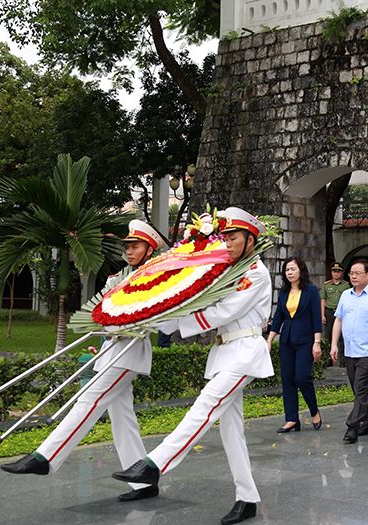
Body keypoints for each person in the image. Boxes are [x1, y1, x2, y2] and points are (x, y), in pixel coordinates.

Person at [111, 208, 274, 524]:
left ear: (250, 239)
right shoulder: (229, 268)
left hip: (244, 351)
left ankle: (155, 463)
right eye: (224, 237)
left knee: (205, 406)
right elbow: (204, 299)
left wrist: (173, 324)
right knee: (231, 430)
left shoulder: (255, 272)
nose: (227, 243)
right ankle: (248, 497)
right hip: (225, 351)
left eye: (234, 237)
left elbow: (222, 312)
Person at [0, 220, 166, 502]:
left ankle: (46, 457)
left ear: (149, 249)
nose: (130, 250)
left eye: (136, 246)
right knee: (122, 418)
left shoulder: (156, 279)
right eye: (127, 246)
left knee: (87, 401)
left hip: (129, 352)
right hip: (110, 349)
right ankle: (144, 483)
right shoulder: (118, 278)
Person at [329, 260, 368, 444]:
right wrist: (334, 344)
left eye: (357, 273)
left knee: (362, 388)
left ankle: (352, 427)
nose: (353, 276)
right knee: (359, 391)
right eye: (351, 273)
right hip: (350, 351)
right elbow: (338, 320)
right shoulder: (345, 295)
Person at [268, 256, 324, 432]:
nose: (289, 272)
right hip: (287, 341)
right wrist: (269, 340)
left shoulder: (311, 291)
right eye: (287, 270)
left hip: (306, 341)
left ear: (301, 270)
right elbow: (278, 318)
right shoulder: (283, 292)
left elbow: (317, 318)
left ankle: (314, 411)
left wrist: (317, 343)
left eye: (292, 269)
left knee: (301, 377)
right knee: (287, 379)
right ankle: (292, 419)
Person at [321, 262, 350, 366]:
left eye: (338, 271)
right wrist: (322, 315)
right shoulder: (326, 285)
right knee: (328, 336)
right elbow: (323, 300)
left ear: (342, 273)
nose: (336, 273)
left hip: (342, 313)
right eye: (334, 271)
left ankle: (343, 361)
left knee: (342, 337)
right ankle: (328, 360)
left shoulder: (346, 285)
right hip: (329, 312)